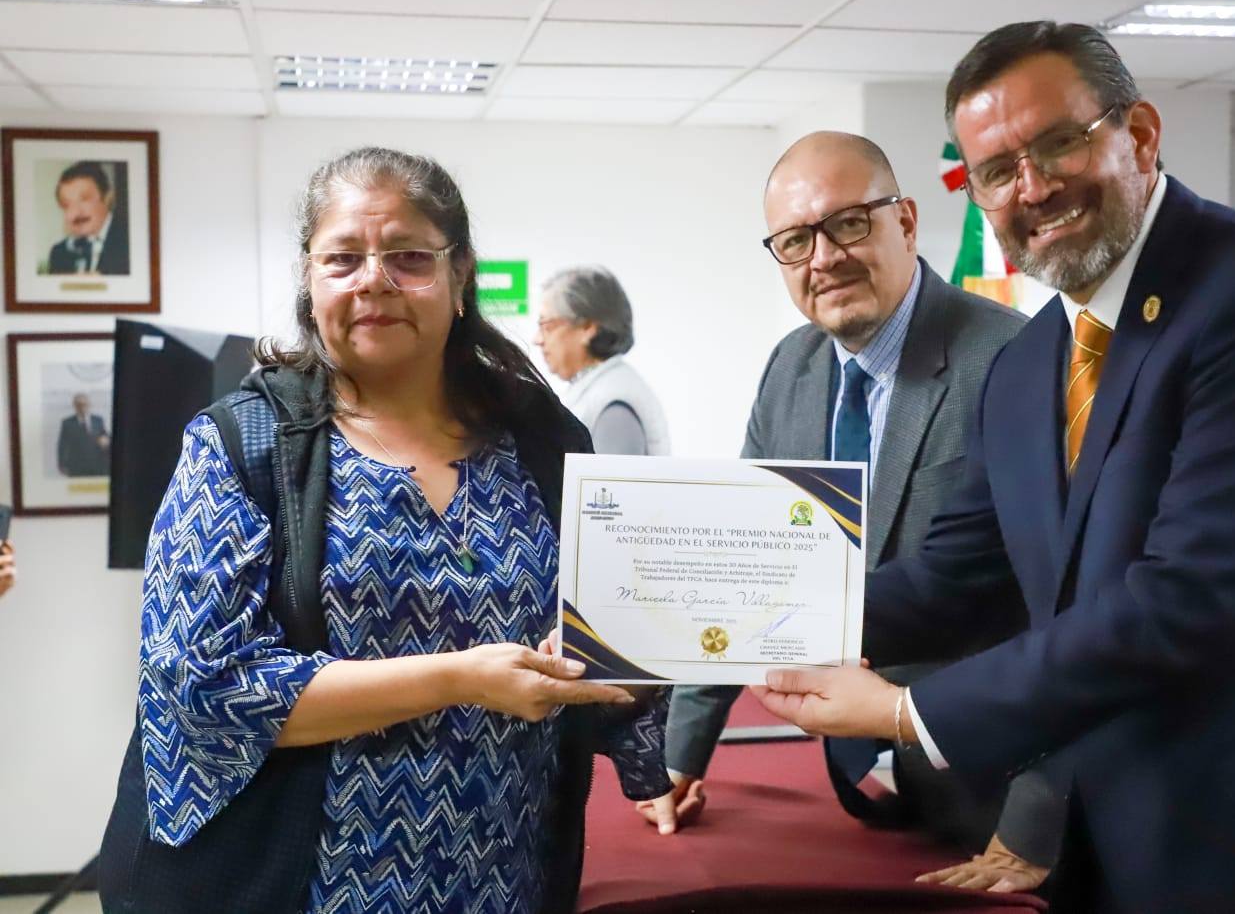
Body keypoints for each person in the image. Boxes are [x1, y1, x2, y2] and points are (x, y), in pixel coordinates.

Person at [756, 22, 1235, 912]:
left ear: (1142, 134)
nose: (1032, 187)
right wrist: (737, 615)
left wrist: (905, 711)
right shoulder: (1027, 364)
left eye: (1058, 143)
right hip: (1121, 836)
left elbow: (1184, 598)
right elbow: (954, 575)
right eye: (995, 171)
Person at [98, 147, 671, 914]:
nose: (374, 280)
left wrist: (636, 658)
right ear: (309, 279)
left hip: (504, 872)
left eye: (408, 256)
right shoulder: (244, 445)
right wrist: (458, 678)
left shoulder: (542, 437)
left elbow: (612, 632)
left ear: (460, 276)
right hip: (306, 884)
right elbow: (203, 687)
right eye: (343, 258)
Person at [658, 131, 1055, 889]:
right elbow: (744, 566)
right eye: (794, 240)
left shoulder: (1016, 359)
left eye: (847, 223)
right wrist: (681, 754)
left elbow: (1070, 611)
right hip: (863, 788)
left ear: (905, 221)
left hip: (995, 792)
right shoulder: (791, 368)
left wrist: (1033, 824)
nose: (823, 258)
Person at [534, 266, 670, 456]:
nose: (537, 339)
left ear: (588, 327)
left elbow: (616, 475)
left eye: (546, 326)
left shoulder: (614, 402)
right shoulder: (599, 388)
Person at [47, 161, 129, 275]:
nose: (76, 212)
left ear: (107, 198)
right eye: (67, 205)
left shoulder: (131, 241)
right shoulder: (59, 254)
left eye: (84, 199)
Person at [56, 392, 110, 476]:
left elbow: (105, 436)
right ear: (74, 406)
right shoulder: (67, 423)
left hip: (98, 464)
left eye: (85, 404)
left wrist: (106, 440)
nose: (82, 407)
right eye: (79, 404)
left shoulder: (98, 420)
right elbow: (62, 444)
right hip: (76, 465)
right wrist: (61, 464)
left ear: (89, 405)